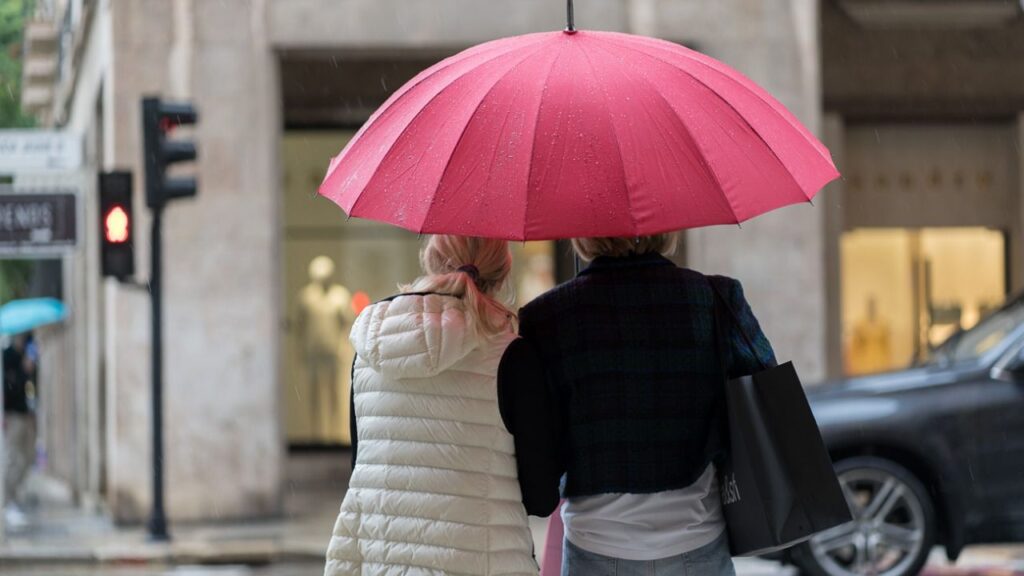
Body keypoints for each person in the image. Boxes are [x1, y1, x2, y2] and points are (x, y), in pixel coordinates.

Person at [498, 234, 776, 576]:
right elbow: (766, 392)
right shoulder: (716, 298)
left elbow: (541, 447)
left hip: (594, 546)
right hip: (698, 541)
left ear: (583, 237)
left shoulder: (544, 318)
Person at [324, 235, 539, 576]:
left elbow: (363, 469)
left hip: (383, 562)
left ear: (430, 259)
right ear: (502, 272)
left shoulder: (369, 349)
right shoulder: (511, 354)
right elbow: (541, 495)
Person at [4, 333, 38, 517]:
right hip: (12, 415)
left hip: (25, 414)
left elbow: (30, 387)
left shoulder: (26, 353)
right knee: (13, 458)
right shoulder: (7, 356)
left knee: (27, 457)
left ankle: (14, 498)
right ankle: (7, 502)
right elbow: (9, 388)